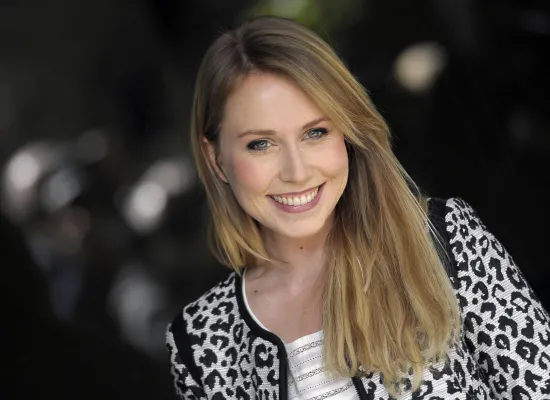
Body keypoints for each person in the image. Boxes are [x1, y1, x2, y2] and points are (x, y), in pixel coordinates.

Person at [166, 16, 550, 399]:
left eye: (315, 132)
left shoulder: (446, 239)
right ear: (216, 159)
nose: (297, 172)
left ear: (347, 133)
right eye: (261, 144)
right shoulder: (199, 344)